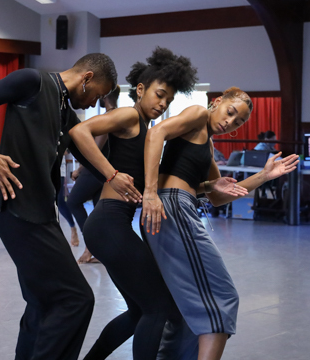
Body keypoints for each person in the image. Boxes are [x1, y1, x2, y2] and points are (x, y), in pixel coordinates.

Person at [0, 54, 117, 360]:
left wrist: (128, 177)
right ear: (86, 78)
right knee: (76, 299)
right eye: (97, 94)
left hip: (40, 213)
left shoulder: (65, 111)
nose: (93, 102)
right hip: (20, 211)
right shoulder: (32, 81)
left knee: (42, 302)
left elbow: (90, 161)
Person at [142, 87, 300, 360]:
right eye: (230, 112)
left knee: (184, 303)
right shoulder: (198, 113)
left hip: (180, 206)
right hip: (174, 208)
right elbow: (156, 133)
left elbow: (218, 197)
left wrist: (263, 176)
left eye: (238, 122)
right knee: (223, 297)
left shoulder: (208, 143)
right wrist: (150, 191)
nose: (230, 123)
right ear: (217, 103)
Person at [70, 47, 202, 360]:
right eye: (159, 94)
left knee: (138, 312)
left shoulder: (148, 130)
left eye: (169, 100)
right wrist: (110, 174)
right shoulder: (130, 116)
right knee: (158, 308)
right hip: (108, 223)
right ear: (140, 90)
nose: (163, 103)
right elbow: (79, 131)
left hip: (111, 224)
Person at [69, 86, 119, 263]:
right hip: (107, 171)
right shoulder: (118, 115)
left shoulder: (108, 117)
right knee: (99, 210)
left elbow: (94, 150)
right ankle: (101, 250)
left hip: (97, 169)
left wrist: (78, 170)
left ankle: (91, 245)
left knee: (73, 202)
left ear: (104, 97)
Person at [59, 150, 80, 246]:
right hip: (39, 168)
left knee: (59, 201)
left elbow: (67, 151)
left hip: (57, 169)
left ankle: (72, 227)